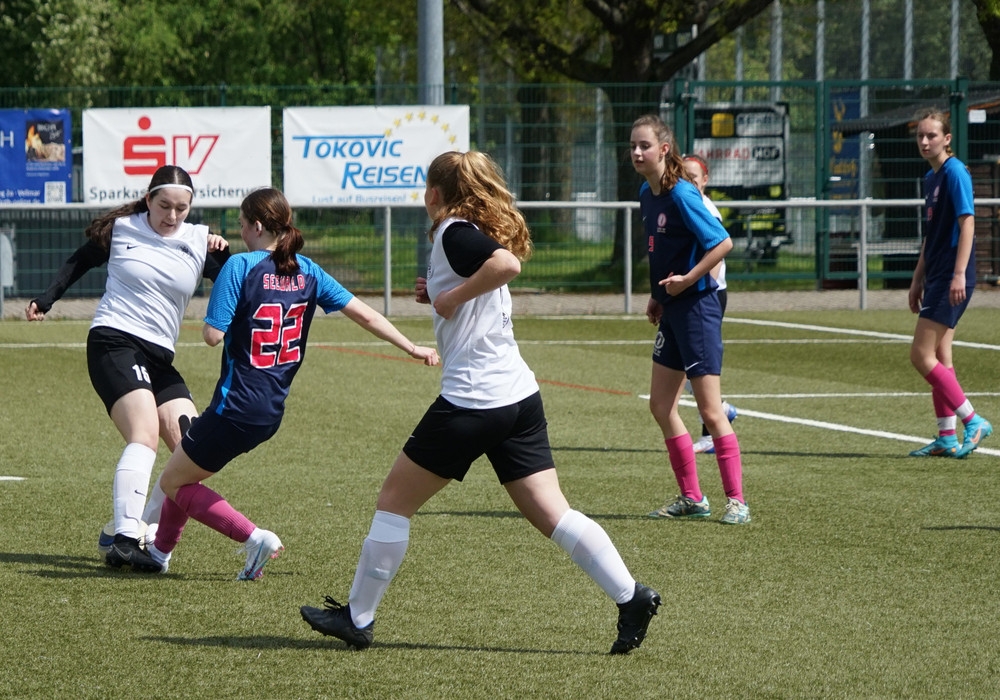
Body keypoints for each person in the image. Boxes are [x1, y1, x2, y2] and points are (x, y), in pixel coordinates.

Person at [300, 150, 661, 654]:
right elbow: (486, 277)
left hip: (474, 400)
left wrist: (451, 298)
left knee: (393, 503)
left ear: (434, 194)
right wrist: (443, 292)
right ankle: (631, 596)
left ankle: (357, 619)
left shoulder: (452, 229)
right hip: (518, 397)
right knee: (552, 513)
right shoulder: (462, 233)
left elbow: (506, 265)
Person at [144, 187, 439, 578]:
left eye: (243, 226)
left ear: (258, 226)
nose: (242, 234)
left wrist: (226, 302)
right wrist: (411, 346)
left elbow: (213, 335)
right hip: (270, 410)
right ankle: (160, 553)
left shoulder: (240, 266)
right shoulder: (309, 271)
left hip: (235, 405)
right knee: (185, 471)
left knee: (172, 482)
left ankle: (254, 538)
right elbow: (365, 315)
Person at [26, 165, 231, 572]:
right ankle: (124, 540)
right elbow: (78, 261)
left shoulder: (198, 240)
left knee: (193, 451)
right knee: (144, 434)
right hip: (113, 341)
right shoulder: (122, 229)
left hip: (160, 357)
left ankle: (132, 526)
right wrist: (45, 299)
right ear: (149, 199)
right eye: (164, 205)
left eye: (182, 209)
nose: (172, 216)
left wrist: (226, 256)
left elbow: (237, 279)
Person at [630, 115, 750, 525]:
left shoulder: (682, 194)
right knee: (661, 405)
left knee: (711, 410)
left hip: (698, 307)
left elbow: (723, 243)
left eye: (644, 145)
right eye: (632, 146)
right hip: (673, 308)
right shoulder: (647, 192)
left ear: (664, 149)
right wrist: (658, 294)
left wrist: (686, 281)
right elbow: (661, 249)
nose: (636, 152)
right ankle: (693, 498)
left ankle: (737, 501)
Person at [907, 108, 992, 459]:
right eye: (920, 136)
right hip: (938, 274)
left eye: (931, 135)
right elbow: (932, 236)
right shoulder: (932, 178)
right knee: (941, 355)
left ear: (947, 138)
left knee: (920, 355)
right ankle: (946, 436)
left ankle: (972, 420)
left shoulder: (955, 172)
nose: (925, 141)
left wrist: (959, 274)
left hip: (951, 277)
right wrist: (917, 278)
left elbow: (968, 223)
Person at [681, 154, 739, 455]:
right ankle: (720, 411)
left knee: (696, 368)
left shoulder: (706, 210)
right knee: (683, 368)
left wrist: (704, 291)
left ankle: (713, 426)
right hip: (688, 295)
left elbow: (716, 252)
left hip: (707, 296)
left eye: (694, 176)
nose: (689, 181)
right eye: (684, 175)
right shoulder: (683, 203)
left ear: (705, 180)